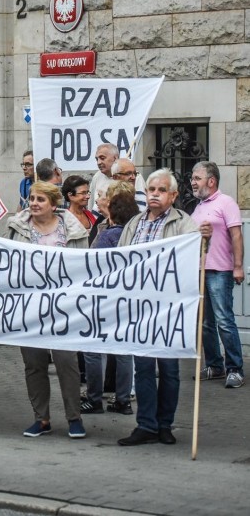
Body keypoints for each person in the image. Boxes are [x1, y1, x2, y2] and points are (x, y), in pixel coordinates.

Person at [0, 181, 88, 439]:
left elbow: (84, 267)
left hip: (64, 308)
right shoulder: (18, 227)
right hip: (28, 309)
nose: (34, 203)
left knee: (66, 363)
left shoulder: (73, 230)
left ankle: (74, 418)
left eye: (40, 199)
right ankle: (42, 418)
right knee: (34, 364)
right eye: (31, 198)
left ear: (54, 203)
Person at [117, 169, 203, 446]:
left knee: (169, 370)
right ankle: (146, 425)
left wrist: (206, 239)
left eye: (161, 190)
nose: (154, 194)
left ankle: (165, 425)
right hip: (139, 308)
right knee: (142, 368)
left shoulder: (184, 224)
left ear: (174, 195)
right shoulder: (134, 223)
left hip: (169, 309)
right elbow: (120, 259)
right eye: (151, 189)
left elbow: (194, 255)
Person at [80, 192, 141, 416]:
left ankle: (94, 399)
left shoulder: (107, 237)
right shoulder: (137, 236)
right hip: (127, 299)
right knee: (124, 350)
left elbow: (92, 264)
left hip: (103, 298)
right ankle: (123, 400)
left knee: (94, 349)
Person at [190, 161, 245, 389]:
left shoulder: (226, 202)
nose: (192, 182)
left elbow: (237, 236)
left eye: (197, 178)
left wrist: (238, 266)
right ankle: (215, 366)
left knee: (224, 320)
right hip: (200, 270)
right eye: (192, 178)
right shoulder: (199, 206)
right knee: (205, 323)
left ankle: (235, 369)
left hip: (220, 270)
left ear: (211, 181)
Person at [89, 143, 118, 213]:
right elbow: (91, 204)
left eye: (102, 158)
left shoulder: (132, 176)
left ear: (115, 158)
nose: (98, 162)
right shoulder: (97, 176)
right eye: (97, 159)